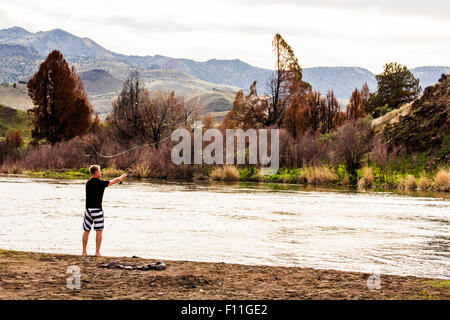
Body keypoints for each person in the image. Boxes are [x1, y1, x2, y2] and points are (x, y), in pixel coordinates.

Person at [82, 165, 127, 256]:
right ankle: (97, 252)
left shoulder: (88, 183)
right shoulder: (100, 183)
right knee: (99, 231)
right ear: (96, 172)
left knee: (86, 231)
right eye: (99, 171)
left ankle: (84, 252)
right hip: (97, 210)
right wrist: (121, 177)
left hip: (88, 210)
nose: (100, 172)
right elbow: (114, 181)